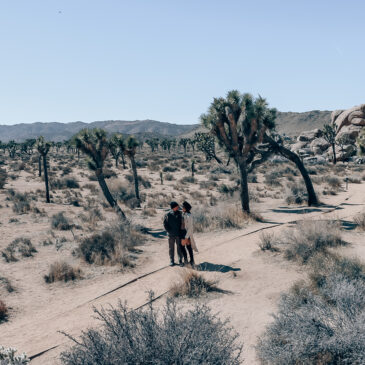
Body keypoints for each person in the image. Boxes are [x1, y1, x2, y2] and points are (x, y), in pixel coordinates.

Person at [163, 201, 185, 267]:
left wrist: (182, 231)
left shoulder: (180, 214)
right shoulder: (168, 214)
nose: (178, 207)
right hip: (171, 235)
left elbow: (182, 223)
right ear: (173, 207)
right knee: (171, 248)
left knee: (179, 248)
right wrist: (169, 231)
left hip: (178, 234)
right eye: (176, 206)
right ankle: (172, 260)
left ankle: (180, 260)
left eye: (178, 206)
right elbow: (165, 224)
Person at [181, 201, 198, 267]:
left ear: (186, 208)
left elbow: (190, 227)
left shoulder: (189, 216)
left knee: (185, 246)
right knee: (187, 247)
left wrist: (186, 236)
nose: (182, 208)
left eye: (183, 207)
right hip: (183, 232)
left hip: (186, 233)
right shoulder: (184, 214)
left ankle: (188, 261)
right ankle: (190, 260)